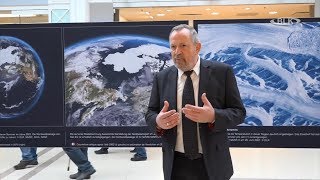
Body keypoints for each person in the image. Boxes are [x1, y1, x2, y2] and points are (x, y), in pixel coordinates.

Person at [145, 24, 246, 180]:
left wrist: (213, 116)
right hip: (175, 164)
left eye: (183, 46)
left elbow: (239, 113)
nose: (177, 52)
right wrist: (157, 121)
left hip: (212, 162)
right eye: (173, 47)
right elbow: (150, 113)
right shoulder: (162, 77)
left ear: (197, 47)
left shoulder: (222, 72)